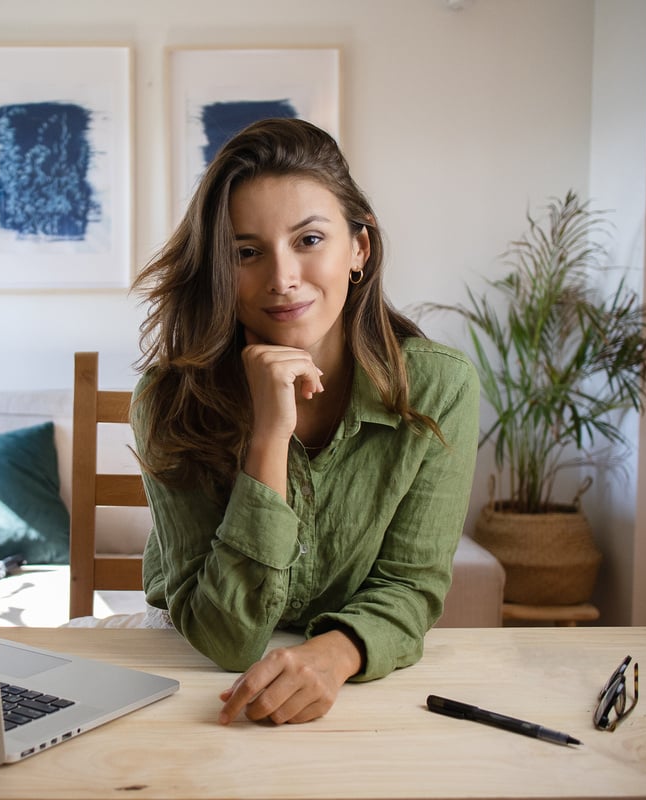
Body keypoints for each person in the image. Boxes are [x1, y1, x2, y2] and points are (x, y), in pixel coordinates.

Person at [130, 118, 479, 726]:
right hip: (192, 685)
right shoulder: (169, 400)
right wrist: (268, 436)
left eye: (309, 240)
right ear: (219, 267)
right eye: (246, 252)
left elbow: (410, 587)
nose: (283, 278)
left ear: (359, 250)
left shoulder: (438, 387)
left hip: (361, 689)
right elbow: (226, 639)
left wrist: (334, 655)